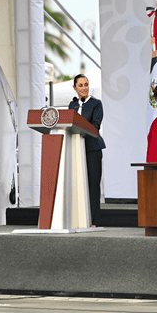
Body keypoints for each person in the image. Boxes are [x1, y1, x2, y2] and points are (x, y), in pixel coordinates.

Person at [68, 74, 106, 227]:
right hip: (76, 148)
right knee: (77, 184)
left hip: (92, 148)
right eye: (81, 85)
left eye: (86, 84)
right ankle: (78, 219)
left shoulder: (96, 103)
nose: (84, 88)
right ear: (75, 88)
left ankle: (94, 221)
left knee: (93, 184)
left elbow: (95, 126)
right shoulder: (72, 105)